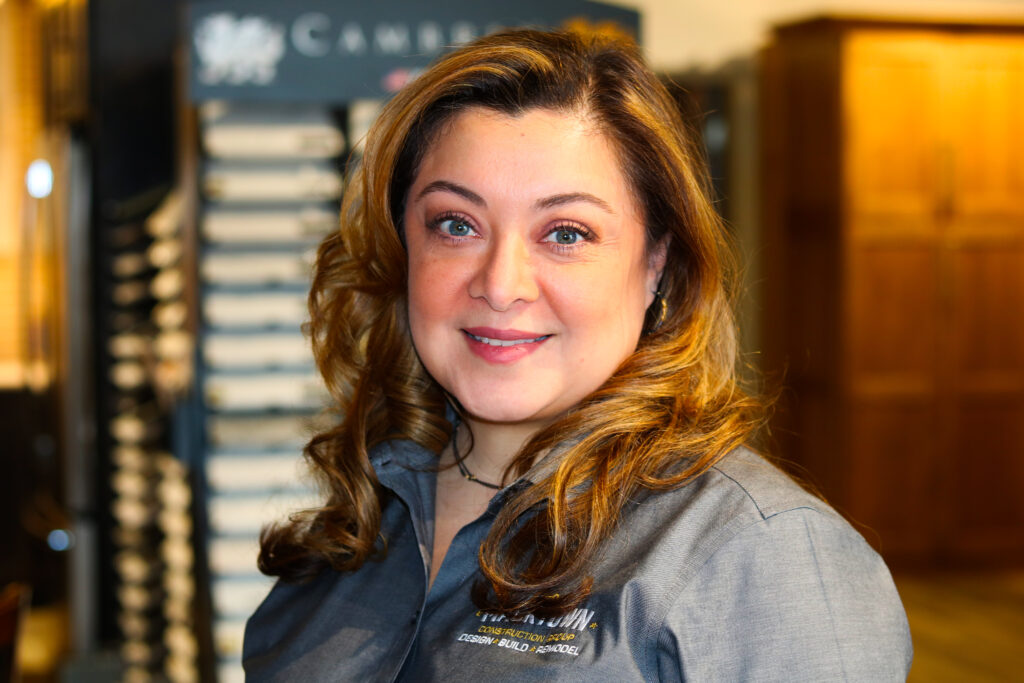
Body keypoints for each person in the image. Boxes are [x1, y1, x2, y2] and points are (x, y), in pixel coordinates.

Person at [242, 28, 912, 681]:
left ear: (657, 262)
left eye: (566, 232)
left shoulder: (759, 555)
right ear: (403, 249)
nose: (501, 284)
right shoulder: (361, 521)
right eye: (455, 224)